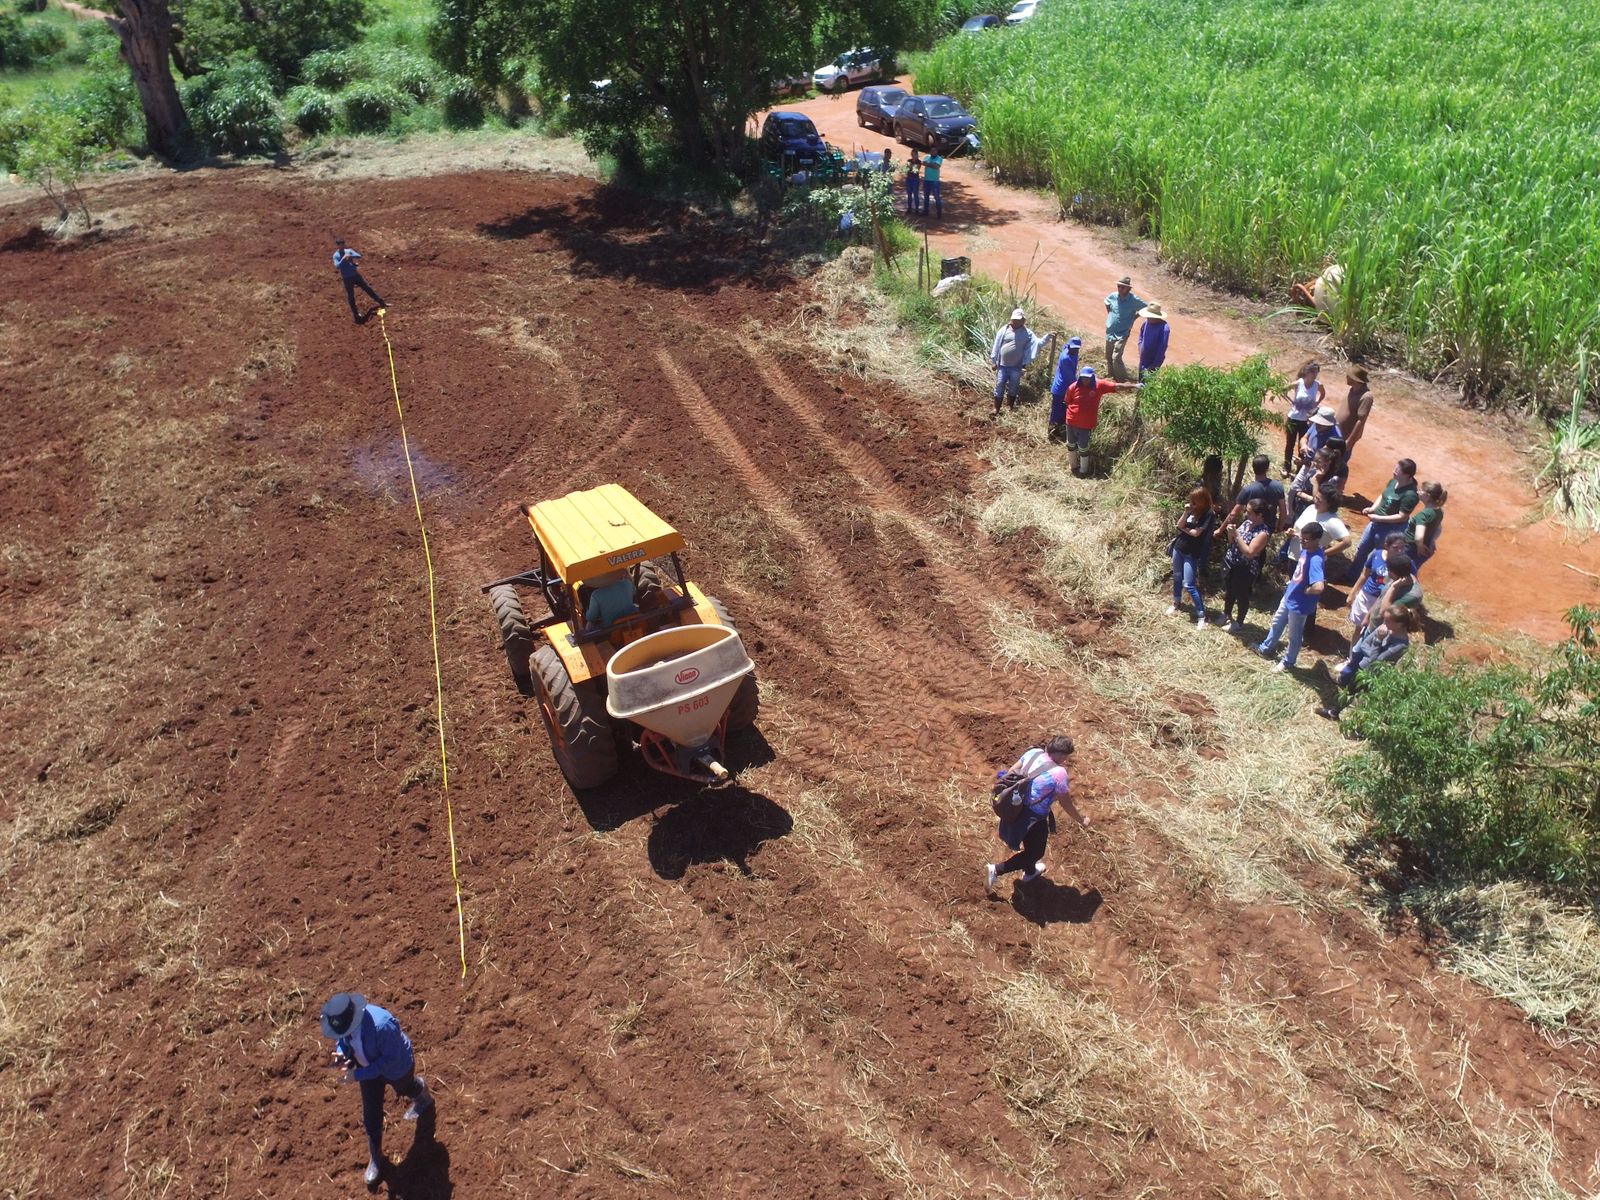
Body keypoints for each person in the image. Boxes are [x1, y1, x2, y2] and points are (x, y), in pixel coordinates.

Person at [320, 993, 433, 1188]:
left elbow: (389, 1060)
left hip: (396, 1067)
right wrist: (341, 1054)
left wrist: (358, 1075)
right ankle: (376, 1157)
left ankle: (422, 1095)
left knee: (406, 1088)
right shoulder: (345, 1024)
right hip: (368, 1070)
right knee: (371, 1115)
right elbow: (343, 1040)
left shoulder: (383, 1026)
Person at [985, 735, 1089, 893]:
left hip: (1015, 807)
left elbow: (1012, 772)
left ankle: (1030, 872)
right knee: (1036, 852)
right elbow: (1066, 803)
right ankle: (997, 869)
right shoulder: (1059, 773)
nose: (1066, 760)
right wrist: (1081, 820)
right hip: (1033, 818)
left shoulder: (1033, 753)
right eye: (1066, 756)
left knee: (1030, 847)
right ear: (1061, 755)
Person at [1317, 604, 1416, 719]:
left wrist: (1378, 641)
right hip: (1364, 667)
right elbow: (1364, 644)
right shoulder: (1385, 628)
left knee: (1360, 695)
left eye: (1388, 621)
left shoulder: (1401, 644)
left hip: (1374, 675)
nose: (1384, 623)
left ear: (1399, 624)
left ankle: (1339, 714)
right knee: (1351, 689)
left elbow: (1376, 661)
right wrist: (1374, 652)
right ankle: (1335, 712)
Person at [1257, 521, 1326, 672]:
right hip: (1289, 596)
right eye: (1302, 538)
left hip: (1299, 604)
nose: (1302, 541)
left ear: (1316, 540)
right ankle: (1265, 648)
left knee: (1294, 635)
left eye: (1306, 539)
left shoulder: (1316, 559)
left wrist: (1308, 591)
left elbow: (1319, 586)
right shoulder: (1308, 548)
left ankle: (1288, 662)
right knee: (1277, 623)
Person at [1345, 459, 1420, 582]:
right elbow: (1383, 495)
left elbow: (1402, 516)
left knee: (1382, 556)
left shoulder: (1410, 495)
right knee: (1362, 549)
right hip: (1375, 524)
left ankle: (1374, 581)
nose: (1394, 471)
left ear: (1407, 475)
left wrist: (1378, 518)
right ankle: (1352, 577)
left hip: (1389, 529)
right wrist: (1373, 508)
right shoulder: (1394, 481)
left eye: (1397, 470)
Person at [1062, 366, 1139, 477]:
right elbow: (1067, 402)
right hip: (1071, 422)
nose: (1085, 380)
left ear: (1092, 377)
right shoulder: (1073, 387)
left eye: (1088, 378)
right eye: (1083, 378)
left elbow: (1117, 386)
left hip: (1085, 425)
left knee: (1083, 447)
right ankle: (1073, 467)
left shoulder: (1099, 385)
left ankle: (1083, 471)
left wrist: (1134, 386)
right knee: (1071, 445)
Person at [1217, 496, 1272, 631]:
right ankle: (1226, 614)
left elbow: (1249, 552)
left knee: (1241, 594)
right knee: (1230, 590)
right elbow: (1232, 542)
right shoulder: (1247, 523)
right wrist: (1231, 533)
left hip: (1245, 568)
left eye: (1249, 512)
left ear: (1259, 515)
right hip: (1231, 563)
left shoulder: (1263, 533)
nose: (1246, 514)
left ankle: (1239, 623)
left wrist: (1236, 535)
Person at [1168, 487, 1216, 626]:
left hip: (1192, 553)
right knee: (1177, 577)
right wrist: (1186, 512)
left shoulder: (1209, 514)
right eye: (1192, 500)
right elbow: (1179, 524)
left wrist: (1184, 529)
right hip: (1179, 548)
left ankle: (1202, 615)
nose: (1192, 503)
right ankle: (1176, 603)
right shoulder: (1191, 510)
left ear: (1203, 500)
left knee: (1189, 584)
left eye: (1195, 501)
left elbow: (1196, 533)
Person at [1347, 530, 1407, 630]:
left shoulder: (1404, 562)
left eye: (1402, 548)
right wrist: (1352, 593)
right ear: (1386, 546)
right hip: (1367, 596)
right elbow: (1364, 575)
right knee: (1359, 627)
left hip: (1384, 601)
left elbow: (1410, 581)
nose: (1399, 551)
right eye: (1395, 548)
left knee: (1374, 629)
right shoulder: (1376, 555)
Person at [989, 308, 1042, 414]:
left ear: (1023, 321)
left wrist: (1047, 337)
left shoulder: (1027, 333)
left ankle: (1010, 407)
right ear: (1012, 319)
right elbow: (997, 345)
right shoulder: (1004, 330)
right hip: (1002, 365)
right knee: (1000, 385)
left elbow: (1037, 343)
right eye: (1015, 320)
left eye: (1019, 320)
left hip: (1016, 366)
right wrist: (994, 361)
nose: (1016, 322)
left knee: (1013, 386)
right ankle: (996, 408)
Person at [1281, 361, 1325, 474]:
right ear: (1307, 372)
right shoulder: (1299, 383)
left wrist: (1317, 403)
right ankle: (1286, 467)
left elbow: (1323, 394)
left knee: (1303, 445)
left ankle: (1299, 469)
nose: (1315, 375)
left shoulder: (1318, 385)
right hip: (1293, 419)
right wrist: (1291, 402)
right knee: (1290, 444)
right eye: (1313, 372)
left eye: (1316, 372)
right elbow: (1283, 390)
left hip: (1307, 421)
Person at [1226, 453, 1286, 532]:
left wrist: (1221, 530)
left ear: (1253, 468)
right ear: (1267, 468)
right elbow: (1283, 511)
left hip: (1251, 528)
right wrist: (1280, 527)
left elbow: (1233, 514)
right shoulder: (1278, 487)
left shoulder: (1248, 490)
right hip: (1269, 528)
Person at [1103, 275, 1148, 381]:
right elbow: (1106, 302)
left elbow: (1146, 307)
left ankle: (1122, 380)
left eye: (1122, 287)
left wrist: (1134, 317)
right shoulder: (1113, 296)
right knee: (1108, 356)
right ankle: (1111, 377)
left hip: (1123, 333)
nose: (1120, 289)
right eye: (1118, 286)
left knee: (1116, 357)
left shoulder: (1133, 300)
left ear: (1128, 289)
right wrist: (1110, 314)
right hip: (1111, 331)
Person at [332, 237, 387, 323]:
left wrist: (350, 256)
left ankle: (382, 302)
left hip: (355, 275)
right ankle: (356, 315)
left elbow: (358, 255)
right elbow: (337, 266)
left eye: (342, 244)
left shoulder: (348, 251)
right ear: (337, 245)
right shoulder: (336, 255)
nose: (342, 246)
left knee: (367, 288)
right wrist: (343, 259)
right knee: (351, 296)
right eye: (340, 244)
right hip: (347, 278)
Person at [1404, 482, 1447, 574]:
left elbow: (1419, 537)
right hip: (1426, 548)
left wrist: (1420, 547)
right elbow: (1438, 529)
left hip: (1411, 548)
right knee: (1411, 570)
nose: (1418, 492)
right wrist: (1432, 541)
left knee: (1401, 570)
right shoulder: (1439, 512)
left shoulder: (1423, 515)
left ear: (1428, 496)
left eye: (1421, 490)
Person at [1047, 336, 1083, 439]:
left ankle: (1060, 432)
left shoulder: (1071, 351)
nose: (1075, 350)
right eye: (1073, 348)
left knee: (1063, 411)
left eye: (1077, 348)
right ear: (1069, 346)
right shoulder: (1066, 358)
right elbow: (1070, 378)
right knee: (1057, 412)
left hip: (1066, 388)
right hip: (1060, 389)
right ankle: (1052, 434)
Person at [1335, 366, 1375, 459]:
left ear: (1355, 379)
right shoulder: (1352, 390)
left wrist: (1349, 441)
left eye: (1348, 376)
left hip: (1345, 437)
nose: (1346, 377)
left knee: (1338, 462)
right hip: (1337, 432)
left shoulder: (1366, 396)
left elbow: (1361, 421)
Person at [1136, 303, 1170, 378]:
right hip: (1143, 359)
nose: (1148, 318)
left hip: (1153, 362)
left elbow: (1162, 348)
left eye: (1150, 317)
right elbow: (1141, 336)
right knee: (1141, 378)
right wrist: (1140, 348)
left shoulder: (1164, 328)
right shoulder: (1146, 322)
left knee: (1148, 380)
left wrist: (1154, 365)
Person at [921, 150, 944, 218]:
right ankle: (926, 211)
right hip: (926, 180)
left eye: (934, 151)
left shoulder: (939, 158)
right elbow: (923, 163)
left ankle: (939, 213)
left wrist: (928, 164)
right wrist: (932, 164)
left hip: (935, 181)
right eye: (932, 151)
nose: (933, 152)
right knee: (926, 197)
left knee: (937, 197)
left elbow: (936, 166)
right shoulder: (927, 157)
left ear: (936, 151)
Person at [904, 150, 921, 215]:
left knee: (915, 194)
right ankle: (909, 208)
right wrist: (912, 167)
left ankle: (917, 209)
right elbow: (907, 168)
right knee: (909, 194)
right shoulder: (909, 160)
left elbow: (916, 169)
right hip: (909, 178)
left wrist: (910, 166)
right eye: (912, 154)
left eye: (914, 154)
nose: (913, 156)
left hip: (915, 179)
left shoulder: (919, 161)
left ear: (917, 155)